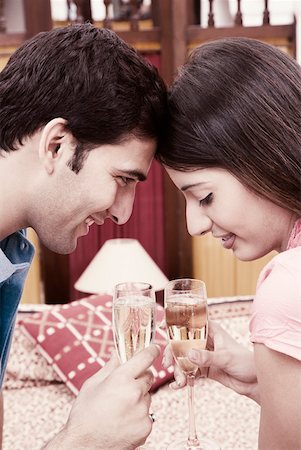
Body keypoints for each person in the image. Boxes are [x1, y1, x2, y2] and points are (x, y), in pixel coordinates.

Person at [0, 23, 167, 449]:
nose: (123, 212)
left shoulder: (10, 252)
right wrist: (84, 441)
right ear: (57, 145)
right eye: (121, 178)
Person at [158, 37, 301, 449]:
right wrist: (263, 380)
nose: (193, 225)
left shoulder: (287, 282)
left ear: (264, 158)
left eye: (205, 197)